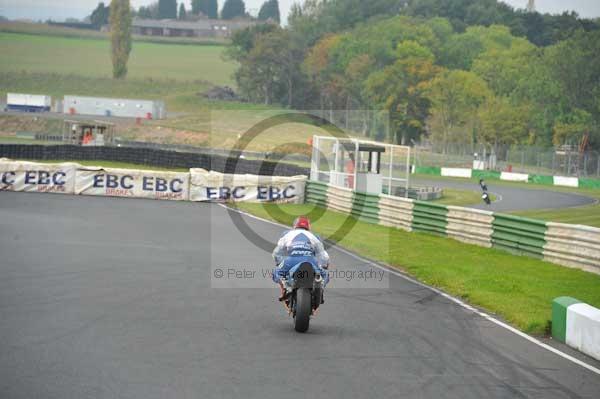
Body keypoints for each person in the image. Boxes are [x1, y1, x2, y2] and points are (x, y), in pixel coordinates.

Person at [272, 216, 330, 302]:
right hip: (311, 261)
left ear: (295, 225)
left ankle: (285, 287)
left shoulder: (287, 234)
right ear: (308, 227)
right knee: (325, 275)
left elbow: (276, 253)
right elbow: (323, 255)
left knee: (276, 272)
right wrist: (324, 265)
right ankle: (320, 287)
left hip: (291, 260)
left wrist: (278, 262)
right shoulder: (314, 236)